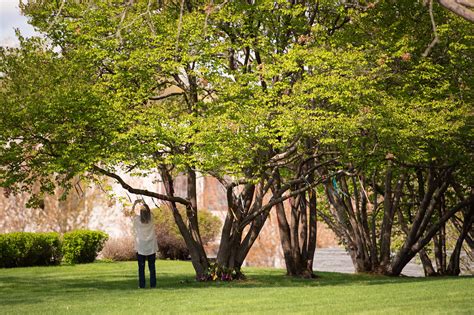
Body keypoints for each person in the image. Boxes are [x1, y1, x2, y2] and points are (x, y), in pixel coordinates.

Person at [125, 200, 158, 288]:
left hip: (140, 246)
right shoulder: (151, 219)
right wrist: (144, 203)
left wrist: (135, 203)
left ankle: (142, 285)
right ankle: (153, 285)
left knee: (141, 268)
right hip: (151, 246)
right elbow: (150, 213)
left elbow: (131, 213)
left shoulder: (137, 220)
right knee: (152, 267)